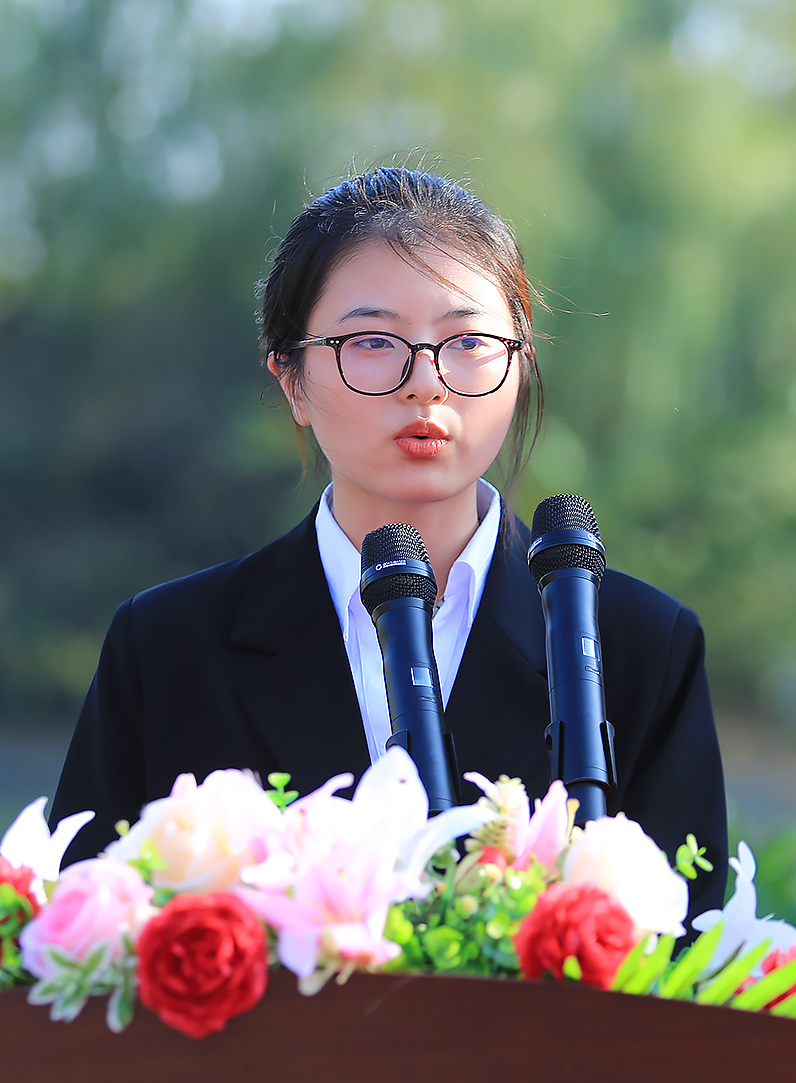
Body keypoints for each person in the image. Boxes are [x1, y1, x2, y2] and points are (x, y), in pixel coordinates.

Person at [51, 167, 727, 911]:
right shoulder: (168, 647)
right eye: (373, 341)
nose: (426, 383)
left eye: (468, 340)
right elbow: (79, 928)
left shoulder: (640, 645)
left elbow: (690, 956)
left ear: (520, 364)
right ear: (292, 379)